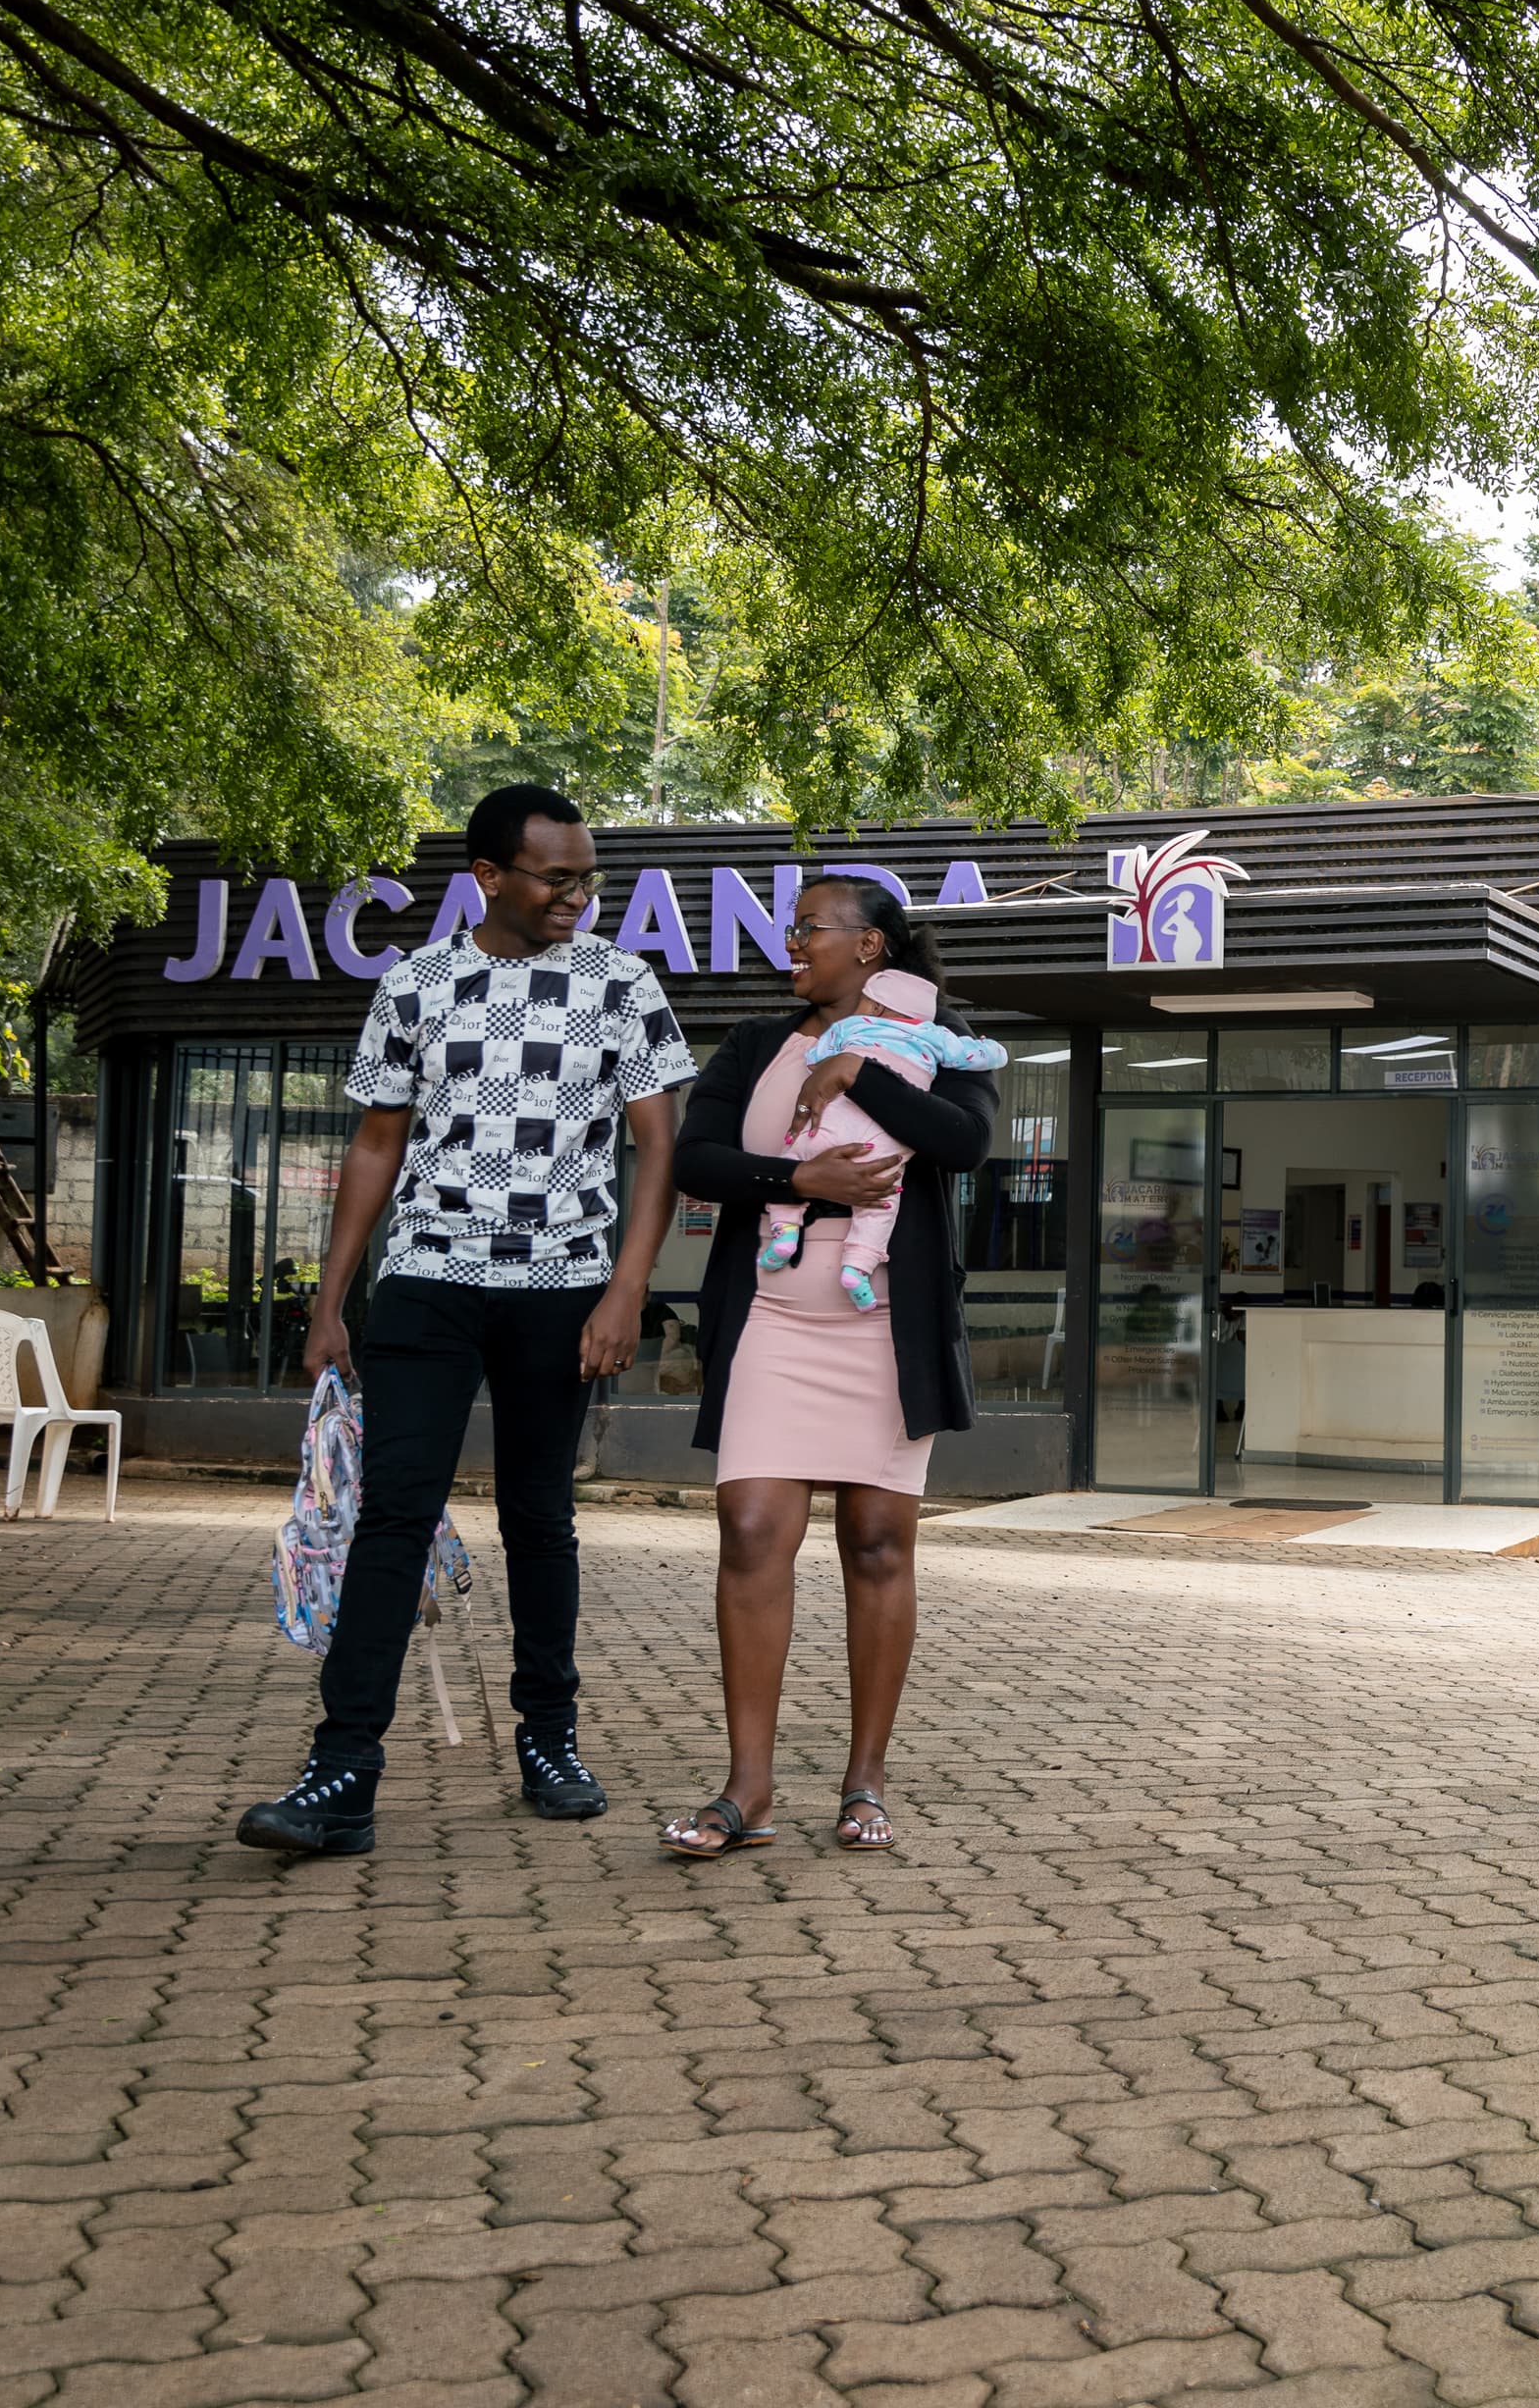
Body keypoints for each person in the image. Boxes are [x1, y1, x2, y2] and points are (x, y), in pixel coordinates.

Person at [237, 785, 693, 1857]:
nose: (578, 895)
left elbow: (659, 1150)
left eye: (589, 876)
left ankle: (550, 1741)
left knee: (541, 1518)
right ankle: (340, 1771)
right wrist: (331, 1299)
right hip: (429, 1282)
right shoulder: (417, 983)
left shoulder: (621, 984)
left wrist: (628, 1287)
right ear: (490, 877)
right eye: (557, 877)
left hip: (562, 1289)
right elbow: (375, 1145)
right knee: (392, 1516)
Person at [661, 875, 996, 1856]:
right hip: (773, 1321)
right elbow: (697, 1158)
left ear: (872, 947)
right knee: (754, 1521)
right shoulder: (757, 1046)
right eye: (790, 930)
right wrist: (796, 1178)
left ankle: (864, 1782)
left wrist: (858, 1073)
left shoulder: (935, 1034)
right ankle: (748, 1789)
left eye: (810, 929)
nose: (792, 946)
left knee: (879, 1541)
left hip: (887, 1328)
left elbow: (967, 1141)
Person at [756, 964, 1005, 1310]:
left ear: (874, 1006)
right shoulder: (936, 1036)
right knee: (881, 1203)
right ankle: (857, 1269)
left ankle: (784, 1231)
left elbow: (817, 1059)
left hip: (837, 1119)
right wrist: (992, 1049)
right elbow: (975, 1057)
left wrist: (825, 1062)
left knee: (792, 1160)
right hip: (886, 1136)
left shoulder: (851, 1026)